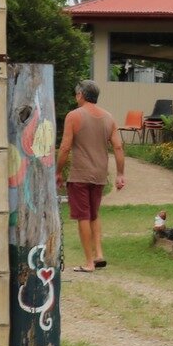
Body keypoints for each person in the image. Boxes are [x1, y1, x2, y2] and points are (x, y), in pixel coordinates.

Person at [58, 80, 127, 273]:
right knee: (94, 215)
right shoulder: (109, 118)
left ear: (80, 94)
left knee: (83, 217)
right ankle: (98, 254)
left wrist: (57, 172)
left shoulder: (74, 116)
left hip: (80, 174)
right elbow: (118, 147)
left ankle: (89, 263)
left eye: (76, 94)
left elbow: (65, 147)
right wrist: (120, 174)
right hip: (99, 175)